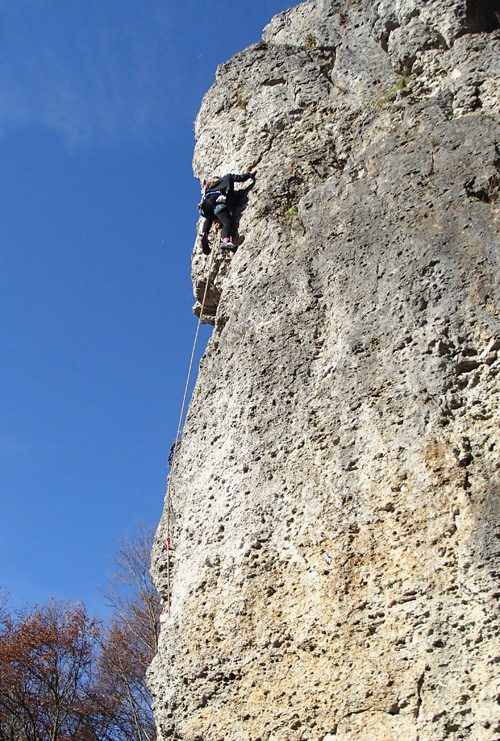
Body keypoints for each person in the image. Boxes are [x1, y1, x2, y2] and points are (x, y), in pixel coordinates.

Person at [198, 171, 256, 254]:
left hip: (205, 207)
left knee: (210, 217)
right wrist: (250, 175)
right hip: (217, 202)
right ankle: (225, 241)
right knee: (227, 222)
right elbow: (239, 178)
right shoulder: (227, 178)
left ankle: (204, 234)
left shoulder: (210, 189)